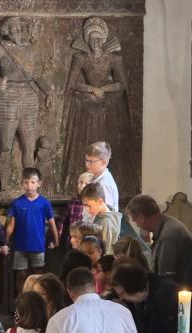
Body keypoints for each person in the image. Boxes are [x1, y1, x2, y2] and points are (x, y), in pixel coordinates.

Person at [0, 16, 54, 190]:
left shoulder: (30, 50)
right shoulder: (0, 49)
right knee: (6, 145)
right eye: (13, 29)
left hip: (28, 96)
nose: (17, 32)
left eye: (20, 29)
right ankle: (4, 185)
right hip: (6, 98)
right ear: (7, 31)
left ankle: (31, 186)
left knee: (28, 145)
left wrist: (49, 91)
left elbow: (36, 76)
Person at [61, 17, 136, 198]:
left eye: (99, 39)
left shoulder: (113, 59)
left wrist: (103, 89)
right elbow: (72, 83)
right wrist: (91, 89)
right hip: (87, 100)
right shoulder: (81, 58)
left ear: (104, 40)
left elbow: (121, 84)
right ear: (87, 39)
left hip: (107, 102)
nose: (95, 42)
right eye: (92, 38)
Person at [126, 194, 192, 288]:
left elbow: (165, 281)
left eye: (135, 220)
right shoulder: (168, 224)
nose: (137, 225)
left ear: (142, 218)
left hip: (180, 299)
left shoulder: (167, 238)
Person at [6, 168, 59, 292]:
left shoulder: (44, 203)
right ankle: (22, 298)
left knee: (38, 274)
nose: (29, 186)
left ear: (39, 183)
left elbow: (52, 223)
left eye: (32, 182)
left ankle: (39, 297)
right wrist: (5, 242)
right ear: (22, 183)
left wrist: (56, 241)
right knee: (21, 275)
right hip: (20, 245)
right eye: (26, 182)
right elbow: (10, 225)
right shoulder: (17, 203)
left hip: (38, 244)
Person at [80, 182, 121, 254]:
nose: (87, 209)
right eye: (85, 206)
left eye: (89, 206)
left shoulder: (105, 221)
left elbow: (104, 250)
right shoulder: (109, 214)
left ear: (100, 201)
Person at [56, 172, 94, 247]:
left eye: (86, 184)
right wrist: (57, 238)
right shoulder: (73, 201)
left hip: (87, 242)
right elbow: (61, 221)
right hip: (72, 241)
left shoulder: (93, 204)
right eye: (81, 182)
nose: (82, 186)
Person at [80, 142, 119, 212]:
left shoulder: (104, 185)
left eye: (91, 161)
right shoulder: (94, 179)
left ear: (104, 162)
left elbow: (105, 215)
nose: (87, 165)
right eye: (86, 160)